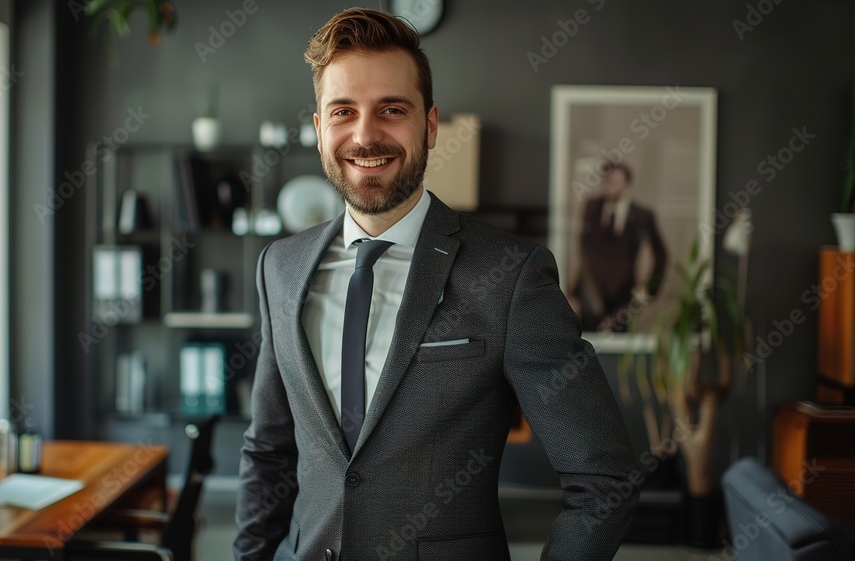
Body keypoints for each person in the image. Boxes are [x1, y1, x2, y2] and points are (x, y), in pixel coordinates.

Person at [234, 8, 639, 561]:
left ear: (429, 125)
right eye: (343, 111)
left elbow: (605, 477)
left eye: (392, 109)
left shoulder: (511, 276)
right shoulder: (279, 267)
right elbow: (268, 451)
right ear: (320, 127)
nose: (365, 135)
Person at [572, 162, 668, 332]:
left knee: (619, 337)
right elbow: (585, 250)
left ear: (627, 184)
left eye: (616, 181)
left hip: (624, 298)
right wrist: (575, 291)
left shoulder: (642, 215)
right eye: (608, 181)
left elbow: (660, 255)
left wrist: (648, 291)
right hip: (592, 298)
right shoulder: (592, 208)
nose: (611, 186)